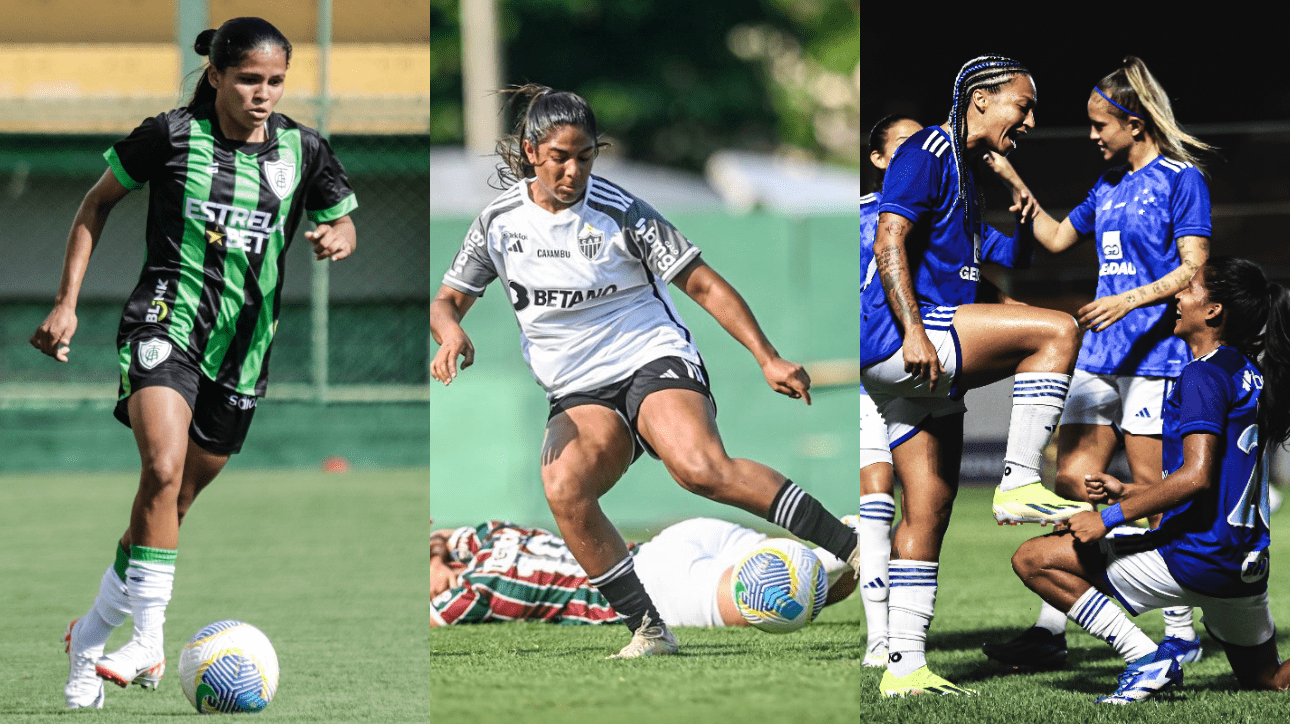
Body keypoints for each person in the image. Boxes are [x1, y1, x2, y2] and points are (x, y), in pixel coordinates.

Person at [430, 85, 861, 659]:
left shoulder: (620, 211)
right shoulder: (498, 222)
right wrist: (451, 332)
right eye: (560, 157)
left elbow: (702, 284)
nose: (574, 171)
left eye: (585, 157)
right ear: (531, 152)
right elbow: (446, 301)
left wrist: (767, 356)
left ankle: (853, 546)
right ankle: (649, 630)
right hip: (577, 389)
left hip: (650, 355)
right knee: (565, 489)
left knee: (699, 468)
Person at [31, 18, 358, 709]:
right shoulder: (171, 136)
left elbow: (343, 217)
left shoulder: (303, 149)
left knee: (171, 504)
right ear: (216, 75)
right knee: (161, 467)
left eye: (275, 81)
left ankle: (91, 635)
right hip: (164, 324)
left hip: (244, 352)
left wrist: (339, 233)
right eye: (248, 79)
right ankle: (148, 642)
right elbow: (95, 204)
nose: (262, 94)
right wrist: (66, 303)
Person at [860, 55, 1084, 696]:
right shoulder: (928, 150)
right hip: (907, 338)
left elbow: (1008, 259)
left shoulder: (962, 171)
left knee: (927, 511)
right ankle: (1019, 482)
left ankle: (904, 666)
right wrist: (911, 331)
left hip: (920, 358)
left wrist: (1017, 195)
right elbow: (889, 238)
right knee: (1059, 330)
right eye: (1023, 105)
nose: (1031, 120)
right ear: (981, 100)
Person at [982, 56, 1212, 670]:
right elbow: (1057, 237)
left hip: (1156, 359)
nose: (1091, 135)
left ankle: (1181, 630)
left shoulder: (1181, 179)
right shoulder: (1107, 185)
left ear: (1135, 124)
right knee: (1071, 484)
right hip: (1099, 356)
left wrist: (1127, 300)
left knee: (1151, 493)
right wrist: (1012, 180)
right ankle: (1051, 629)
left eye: (1099, 124)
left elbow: (1194, 267)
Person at [1011, 256, 1290, 704]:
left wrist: (1107, 518)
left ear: (1213, 310)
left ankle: (1145, 658)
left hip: (1198, 559)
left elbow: (1196, 477)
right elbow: (1220, 481)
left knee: (1033, 559)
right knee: (1270, 679)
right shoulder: (1246, 371)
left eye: (1190, 288)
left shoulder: (1203, 374)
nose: (1178, 295)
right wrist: (1130, 491)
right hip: (1244, 567)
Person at [429, 517, 858, 627]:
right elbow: (445, 536)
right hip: (673, 542)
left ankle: (859, 544)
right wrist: (435, 556)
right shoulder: (494, 536)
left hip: (653, 588)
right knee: (804, 575)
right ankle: (853, 539)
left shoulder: (479, 590)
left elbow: (433, 614)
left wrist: (433, 567)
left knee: (784, 601)